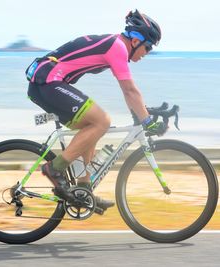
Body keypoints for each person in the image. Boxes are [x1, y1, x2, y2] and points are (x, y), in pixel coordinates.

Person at [26, 9, 167, 214]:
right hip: (47, 80)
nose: (147, 53)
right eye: (148, 47)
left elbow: (130, 94)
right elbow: (129, 90)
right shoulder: (118, 47)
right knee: (102, 121)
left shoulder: (114, 45)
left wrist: (143, 111)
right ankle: (55, 168)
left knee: (91, 127)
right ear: (136, 41)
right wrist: (147, 122)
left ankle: (83, 189)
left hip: (46, 82)